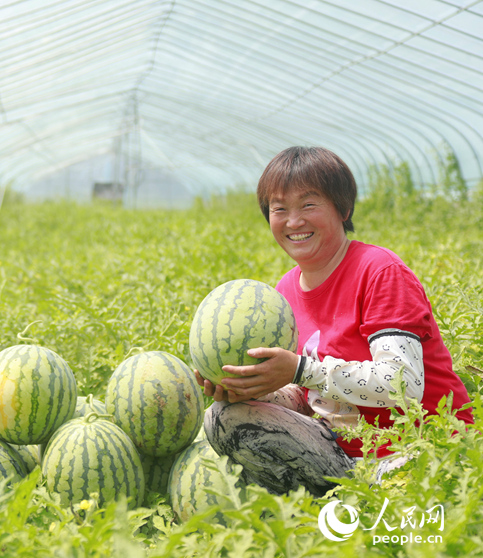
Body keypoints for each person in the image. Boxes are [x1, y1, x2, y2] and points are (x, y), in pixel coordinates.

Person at [197, 146, 474, 497]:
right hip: (347, 458)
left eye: (308, 205)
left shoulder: (379, 272)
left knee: (409, 494)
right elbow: (306, 392)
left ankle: (346, 509)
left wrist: (300, 369)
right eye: (279, 209)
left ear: (343, 209)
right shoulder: (285, 290)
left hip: (419, 450)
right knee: (224, 418)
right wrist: (250, 387)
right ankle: (338, 505)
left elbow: (402, 386)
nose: (293, 221)